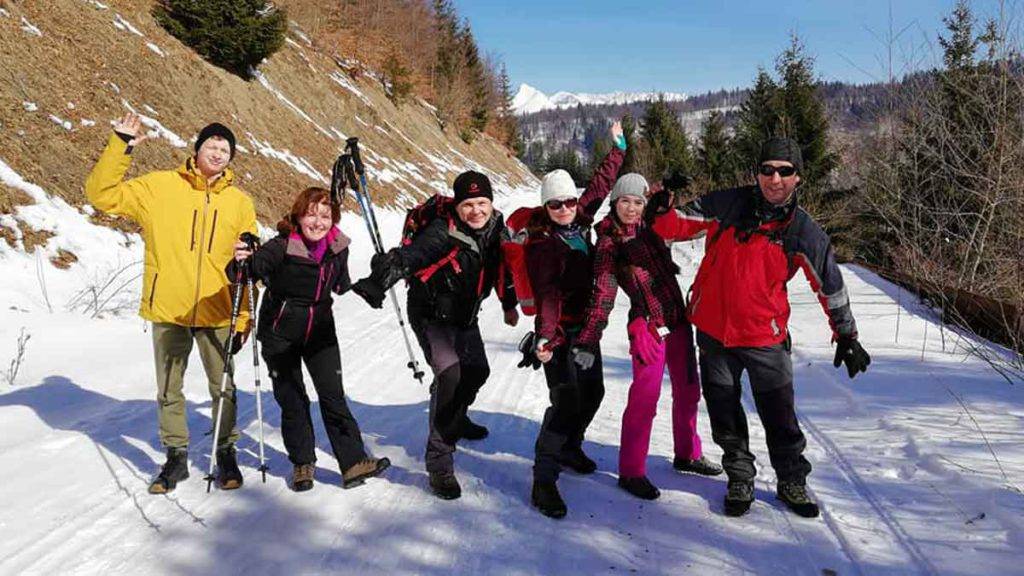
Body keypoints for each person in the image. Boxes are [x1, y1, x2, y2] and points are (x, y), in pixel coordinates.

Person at [647, 137, 871, 518]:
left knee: (780, 415)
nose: (775, 178)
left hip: (764, 336)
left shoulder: (803, 231)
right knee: (724, 411)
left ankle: (791, 480)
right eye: (767, 169)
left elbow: (829, 283)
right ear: (757, 173)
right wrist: (662, 203)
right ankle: (739, 475)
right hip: (715, 332)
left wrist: (846, 334)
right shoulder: (727, 203)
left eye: (785, 171)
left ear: (798, 177)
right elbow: (673, 228)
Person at [85, 114, 257, 493]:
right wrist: (121, 144)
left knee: (223, 386)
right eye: (211, 145)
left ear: (231, 159)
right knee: (168, 389)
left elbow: (249, 266)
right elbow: (101, 195)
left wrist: (244, 316)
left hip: (217, 309)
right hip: (169, 307)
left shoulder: (240, 203)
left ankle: (225, 451)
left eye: (225, 149)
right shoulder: (158, 187)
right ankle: (176, 457)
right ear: (196, 149)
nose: (218, 152)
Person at [352, 171, 518, 500]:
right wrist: (380, 279)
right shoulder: (442, 231)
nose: (476, 211)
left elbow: (504, 269)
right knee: (450, 374)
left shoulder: (497, 228)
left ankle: (455, 415)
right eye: (468, 204)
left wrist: (509, 305)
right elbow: (411, 257)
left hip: (465, 316)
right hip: (431, 315)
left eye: (482, 203)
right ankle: (439, 462)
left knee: (477, 372)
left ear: (491, 203)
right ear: (457, 205)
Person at [229, 187, 390, 492]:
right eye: (311, 214)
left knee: (333, 395)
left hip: (320, 331)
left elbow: (340, 286)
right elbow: (245, 273)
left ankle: (353, 461)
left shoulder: (339, 247)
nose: (318, 222)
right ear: (299, 215)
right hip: (280, 333)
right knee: (292, 399)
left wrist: (373, 281)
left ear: (334, 219)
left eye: (325, 215)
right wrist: (241, 260)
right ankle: (303, 463)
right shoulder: (280, 247)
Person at [575, 172, 722, 503]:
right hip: (647, 327)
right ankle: (631, 470)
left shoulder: (651, 227)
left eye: (637, 202)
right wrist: (588, 338)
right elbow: (603, 294)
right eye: (624, 201)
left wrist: (666, 200)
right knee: (645, 397)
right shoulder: (610, 243)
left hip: (679, 321)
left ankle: (688, 454)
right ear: (614, 203)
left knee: (688, 391)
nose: (631, 208)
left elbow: (673, 222)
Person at [518, 122, 625, 519]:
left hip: (587, 330)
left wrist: (618, 148)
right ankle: (543, 479)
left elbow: (599, 186)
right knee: (564, 402)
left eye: (567, 201)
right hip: (560, 334)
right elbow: (546, 294)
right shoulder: (541, 244)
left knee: (592, 393)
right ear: (545, 207)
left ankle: (569, 447)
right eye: (555, 204)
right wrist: (545, 338)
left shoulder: (580, 218)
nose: (563, 209)